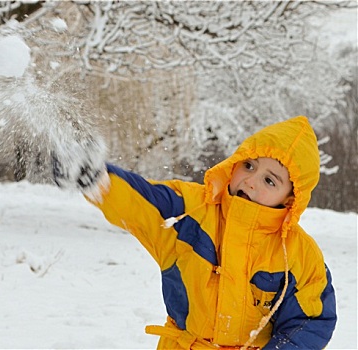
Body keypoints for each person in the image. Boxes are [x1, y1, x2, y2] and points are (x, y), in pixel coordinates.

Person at [54, 116, 337, 349]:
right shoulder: (192, 211)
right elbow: (146, 202)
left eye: (269, 180)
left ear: (291, 198)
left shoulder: (299, 255)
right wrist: (101, 181)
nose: (250, 180)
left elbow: (310, 320)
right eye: (248, 165)